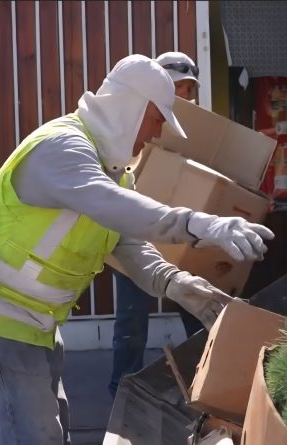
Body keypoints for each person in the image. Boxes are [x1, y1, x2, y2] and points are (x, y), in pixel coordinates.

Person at [0, 54, 274, 445]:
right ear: (129, 107)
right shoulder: (63, 148)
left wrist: (179, 285)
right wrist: (197, 223)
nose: (153, 135)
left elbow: (130, 244)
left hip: (35, 324)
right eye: (155, 119)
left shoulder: (113, 171)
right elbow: (113, 206)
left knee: (52, 432)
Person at [109, 51, 205, 398]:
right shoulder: (134, 125)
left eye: (189, 89)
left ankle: (204, 386)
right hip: (137, 234)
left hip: (181, 236)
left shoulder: (205, 132)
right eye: (177, 87)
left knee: (195, 309)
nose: (184, 97)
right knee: (132, 319)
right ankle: (123, 390)